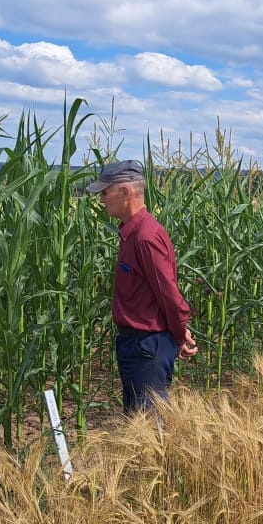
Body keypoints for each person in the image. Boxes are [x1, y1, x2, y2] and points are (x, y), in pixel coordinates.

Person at [87, 160, 197, 415]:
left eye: (105, 192)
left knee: (148, 425)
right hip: (138, 344)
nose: (101, 199)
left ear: (125, 192)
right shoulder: (132, 233)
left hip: (147, 346)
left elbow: (169, 294)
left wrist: (179, 334)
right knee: (139, 421)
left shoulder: (145, 237)